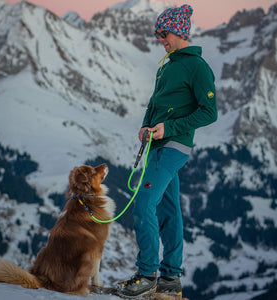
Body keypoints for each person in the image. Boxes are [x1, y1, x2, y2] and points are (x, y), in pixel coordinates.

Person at [117, 4, 217, 299]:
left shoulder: (197, 66)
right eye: (157, 33)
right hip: (155, 145)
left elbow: (209, 112)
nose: (160, 38)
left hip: (174, 146)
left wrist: (169, 128)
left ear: (180, 32)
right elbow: (156, 101)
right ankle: (171, 277)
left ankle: (147, 274)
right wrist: (146, 125)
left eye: (164, 32)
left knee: (143, 203)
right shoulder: (167, 63)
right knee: (169, 211)